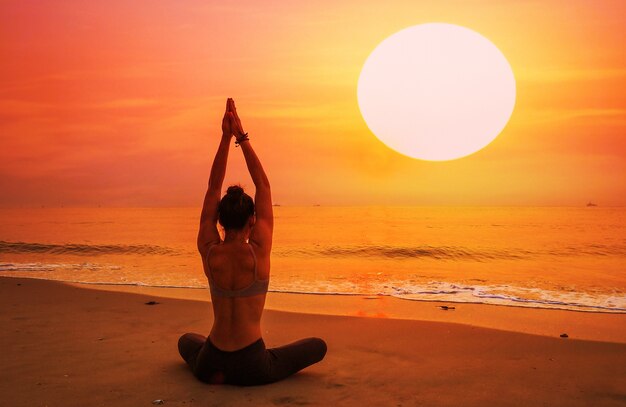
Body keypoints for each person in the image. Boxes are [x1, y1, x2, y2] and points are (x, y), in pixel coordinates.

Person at [177, 98, 327, 386]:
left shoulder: (209, 250)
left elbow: (212, 188)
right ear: (253, 221)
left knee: (187, 341)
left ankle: (215, 372)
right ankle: (244, 369)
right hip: (252, 366)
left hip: (210, 362)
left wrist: (223, 138)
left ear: (219, 221)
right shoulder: (259, 250)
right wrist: (240, 137)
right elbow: (263, 186)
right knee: (317, 346)